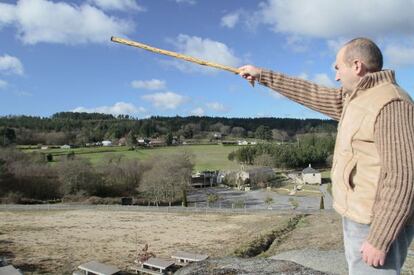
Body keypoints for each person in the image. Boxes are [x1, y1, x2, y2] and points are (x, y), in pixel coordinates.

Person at [238, 37, 414, 274]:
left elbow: (403, 177)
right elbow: (311, 93)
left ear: (357, 66)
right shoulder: (357, 98)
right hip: (360, 215)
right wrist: (262, 75)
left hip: (375, 222)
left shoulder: (392, 103)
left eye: (337, 68)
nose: (336, 76)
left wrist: (380, 239)